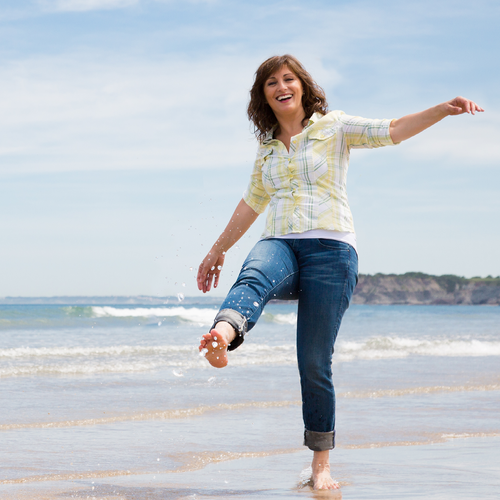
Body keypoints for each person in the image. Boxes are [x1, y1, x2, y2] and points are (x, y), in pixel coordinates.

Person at [196, 54, 483, 490]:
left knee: (313, 362)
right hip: (281, 242)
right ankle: (222, 335)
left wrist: (442, 110)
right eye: (271, 82)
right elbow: (252, 203)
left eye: (288, 78)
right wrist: (217, 249)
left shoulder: (336, 126)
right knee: (254, 270)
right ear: (263, 96)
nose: (281, 86)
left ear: (303, 87)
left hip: (332, 251)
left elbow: (393, 130)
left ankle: (321, 467)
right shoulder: (267, 148)